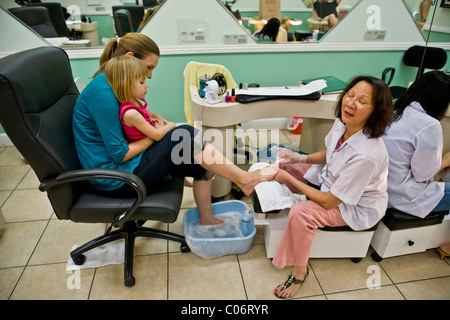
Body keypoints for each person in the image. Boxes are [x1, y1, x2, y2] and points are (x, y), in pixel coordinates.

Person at [72, 33, 277, 226]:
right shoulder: (102, 93)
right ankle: (243, 179)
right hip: (116, 179)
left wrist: (153, 122)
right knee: (185, 134)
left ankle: (207, 217)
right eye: (148, 68)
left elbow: (126, 117)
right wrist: (158, 136)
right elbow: (119, 154)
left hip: (125, 168)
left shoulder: (111, 83)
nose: (150, 76)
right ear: (130, 58)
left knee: (198, 158)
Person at [271, 76, 393, 299]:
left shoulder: (367, 155)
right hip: (332, 183)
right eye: (350, 95)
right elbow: (331, 153)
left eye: (362, 101)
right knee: (283, 163)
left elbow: (329, 201)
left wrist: (295, 181)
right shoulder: (344, 122)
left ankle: (299, 273)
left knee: (300, 213)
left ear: (376, 111)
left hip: (352, 206)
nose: (351, 103)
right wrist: (298, 157)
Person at [381, 71, 450, 259]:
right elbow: (422, 176)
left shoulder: (395, 111)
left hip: (383, 186)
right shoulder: (430, 125)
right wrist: (444, 160)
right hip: (403, 196)